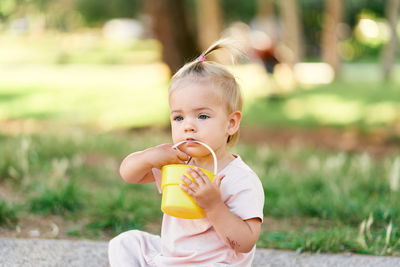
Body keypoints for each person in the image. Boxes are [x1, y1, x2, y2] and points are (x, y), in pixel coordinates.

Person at [108, 39, 265, 267]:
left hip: (213, 263)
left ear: (231, 123)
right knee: (126, 243)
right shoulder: (178, 162)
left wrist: (214, 205)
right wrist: (150, 157)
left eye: (202, 116)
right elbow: (128, 174)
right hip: (173, 258)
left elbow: (244, 243)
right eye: (178, 117)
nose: (188, 126)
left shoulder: (240, 179)